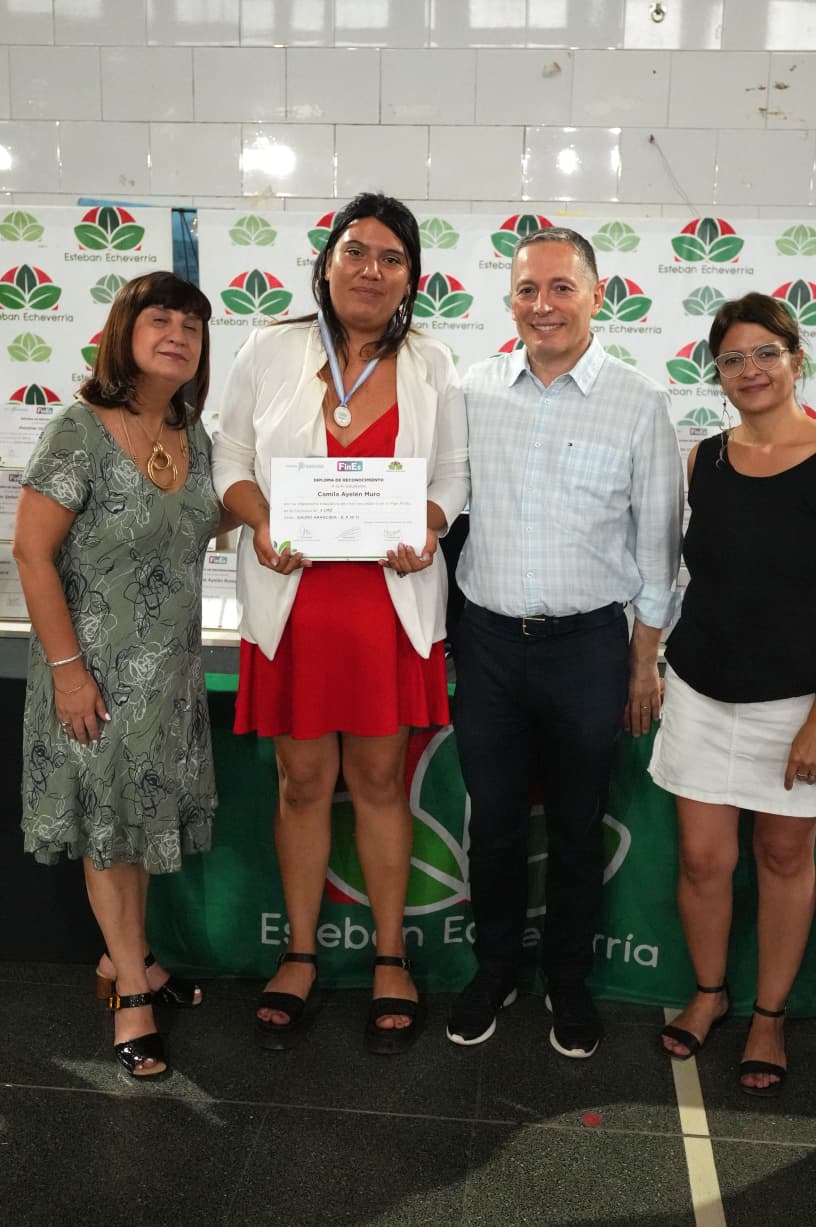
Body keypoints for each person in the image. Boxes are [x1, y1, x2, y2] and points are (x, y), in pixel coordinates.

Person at [212, 192, 469, 1055]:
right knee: (301, 782)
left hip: (386, 606)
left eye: (391, 258)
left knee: (381, 782)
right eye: (355, 251)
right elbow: (230, 458)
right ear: (326, 264)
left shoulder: (432, 361)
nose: (370, 269)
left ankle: (391, 956)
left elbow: (453, 476)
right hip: (295, 603)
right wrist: (259, 522)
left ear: (411, 279)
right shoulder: (269, 347)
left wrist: (427, 523)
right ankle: (299, 952)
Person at [448, 227, 684, 1058]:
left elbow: (658, 545)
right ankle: (494, 970)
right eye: (526, 290)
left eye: (559, 288)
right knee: (494, 824)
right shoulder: (470, 389)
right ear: (508, 299)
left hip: (588, 647)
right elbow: (435, 498)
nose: (541, 305)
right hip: (485, 644)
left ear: (596, 295)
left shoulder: (638, 399)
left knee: (579, 826)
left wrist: (643, 658)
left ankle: (569, 979)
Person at [650, 292, 816, 1096]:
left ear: (795, 360)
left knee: (782, 855)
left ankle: (769, 1014)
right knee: (701, 858)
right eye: (732, 358)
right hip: (699, 690)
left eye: (764, 354)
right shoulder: (702, 460)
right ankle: (709, 991)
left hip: (798, 702)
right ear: (715, 372)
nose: (749, 370)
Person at [14, 271, 229, 1080]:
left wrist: (299, 521)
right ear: (123, 333)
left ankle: (125, 956)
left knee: (134, 825)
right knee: (107, 828)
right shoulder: (79, 429)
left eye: (192, 326)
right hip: (93, 676)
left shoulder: (191, 430)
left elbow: (213, 518)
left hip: (169, 678)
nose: (178, 335)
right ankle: (132, 993)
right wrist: (69, 673)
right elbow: (31, 552)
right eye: (160, 319)